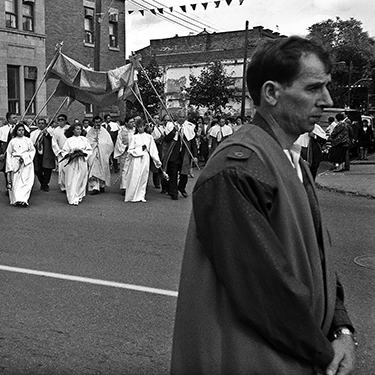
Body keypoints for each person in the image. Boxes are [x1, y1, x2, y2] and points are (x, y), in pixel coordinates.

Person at [171, 36, 356, 375]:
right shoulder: (239, 167)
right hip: (252, 359)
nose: (327, 100)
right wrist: (323, 352)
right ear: (271, 93)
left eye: (326, 87)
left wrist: (341, 330)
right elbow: (265, 291)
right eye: (314, 88)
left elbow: (318, 259)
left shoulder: (291, 160)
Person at [123, 117, 162, 202]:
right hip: (136, 159)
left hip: (145, 158)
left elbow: (153, 150)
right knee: (135, 176)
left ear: (144, 127)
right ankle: (132, 196)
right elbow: (130, 150)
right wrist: (140, 149)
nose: (140, 128)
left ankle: (141, 195)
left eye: (141, 126)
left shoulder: (149, 137)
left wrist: (157, 161)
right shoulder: (134, 137)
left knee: (144, 176)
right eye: (138, 127)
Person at [60, 123, 92, 205]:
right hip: (72, 163)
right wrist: (71, 154)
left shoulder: (84, 140)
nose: (79, 131)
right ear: (73, 130)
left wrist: (82, 152)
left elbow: (89, 150)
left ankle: (78, 195)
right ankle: (72, 197)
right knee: (71, 179)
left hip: (81, 161)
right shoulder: (69, 140)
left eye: (80, 129)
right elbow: (64, 151)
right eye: (77, 129)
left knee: (81, 179)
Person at [5, 123, 36, 206]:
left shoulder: (28, 140)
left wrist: (25, 158)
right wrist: (9, 166)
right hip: (15, 162)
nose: (21, 132)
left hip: (26, 164)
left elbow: (32, 151)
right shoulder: (13, 141)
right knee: (16, 182)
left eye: (22, 130)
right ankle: (17, 199)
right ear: (16, 131)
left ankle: (24, 199)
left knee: (26, 181)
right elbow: (9, 154)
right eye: (19, 130)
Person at [86, 116, 114, 195]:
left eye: (99, 122)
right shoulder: (90, 132)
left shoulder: (104, 132)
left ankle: (102, 185)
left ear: (101, 122)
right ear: (93, 123)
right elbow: (87, 142)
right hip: (93, 155)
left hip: (103, 154)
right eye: (96, 122)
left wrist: (100, 143)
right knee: (93, 169)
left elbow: (109, 143)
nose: (97, 124)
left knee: (102, 168)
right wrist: (94, 143)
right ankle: (94, 187)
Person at [30, 118, 56, 191]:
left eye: (42, 123)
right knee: (37, 170)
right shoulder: (34, 133)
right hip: (37, 154)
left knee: (47, 169)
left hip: (47, 153)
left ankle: (45, 184)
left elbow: (53, 140)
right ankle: (42, 182)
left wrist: (47, 134)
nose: (41, 125)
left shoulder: (50, 132)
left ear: (45, 124)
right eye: (39, 123)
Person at [0, 112, 19, 193]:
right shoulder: (2, 129)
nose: (16, 119)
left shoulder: (20, 128)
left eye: (16, 117)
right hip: (6, 153)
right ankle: (8, 187)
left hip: (17, 153)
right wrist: (0, 153)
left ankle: (17, 188)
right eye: (14, 118)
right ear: (9, 119)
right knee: (7, 171)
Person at [113, 117, 136, 192]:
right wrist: (124, 148)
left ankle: (132, 187)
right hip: (125, 153)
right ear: (126, 123)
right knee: (124, 170)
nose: (133, 124)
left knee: (133, 170)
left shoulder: (135, 131)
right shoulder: (121, 131)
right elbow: (119, 143)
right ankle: (125, 187)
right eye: (131, 122)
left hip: (134, 153)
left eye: (133, 122)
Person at [50, 113, 70, 192]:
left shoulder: (69, 128)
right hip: (61, 153)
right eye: (59, 120)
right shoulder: (56, 130)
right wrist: (59, 151)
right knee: (62, 170)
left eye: (62, 120)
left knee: (69, 169)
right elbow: (54, 142)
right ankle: (63, 187)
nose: (61, 122)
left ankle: (70, 185)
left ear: (65, 121)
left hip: (69, 152)